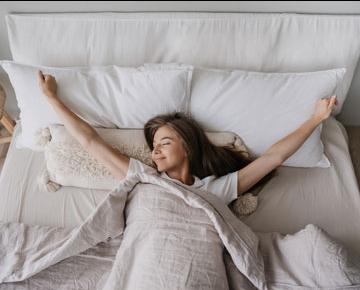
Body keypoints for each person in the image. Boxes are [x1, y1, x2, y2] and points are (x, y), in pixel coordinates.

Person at [38, 71, 337, 205]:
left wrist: (315, 119)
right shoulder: (142, 177)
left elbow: (274, 158)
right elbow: (91, 142)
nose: (154, 153)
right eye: (154, 147)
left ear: (188, 147)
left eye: (164, 143)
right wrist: (52, 99)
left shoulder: (216, 190)